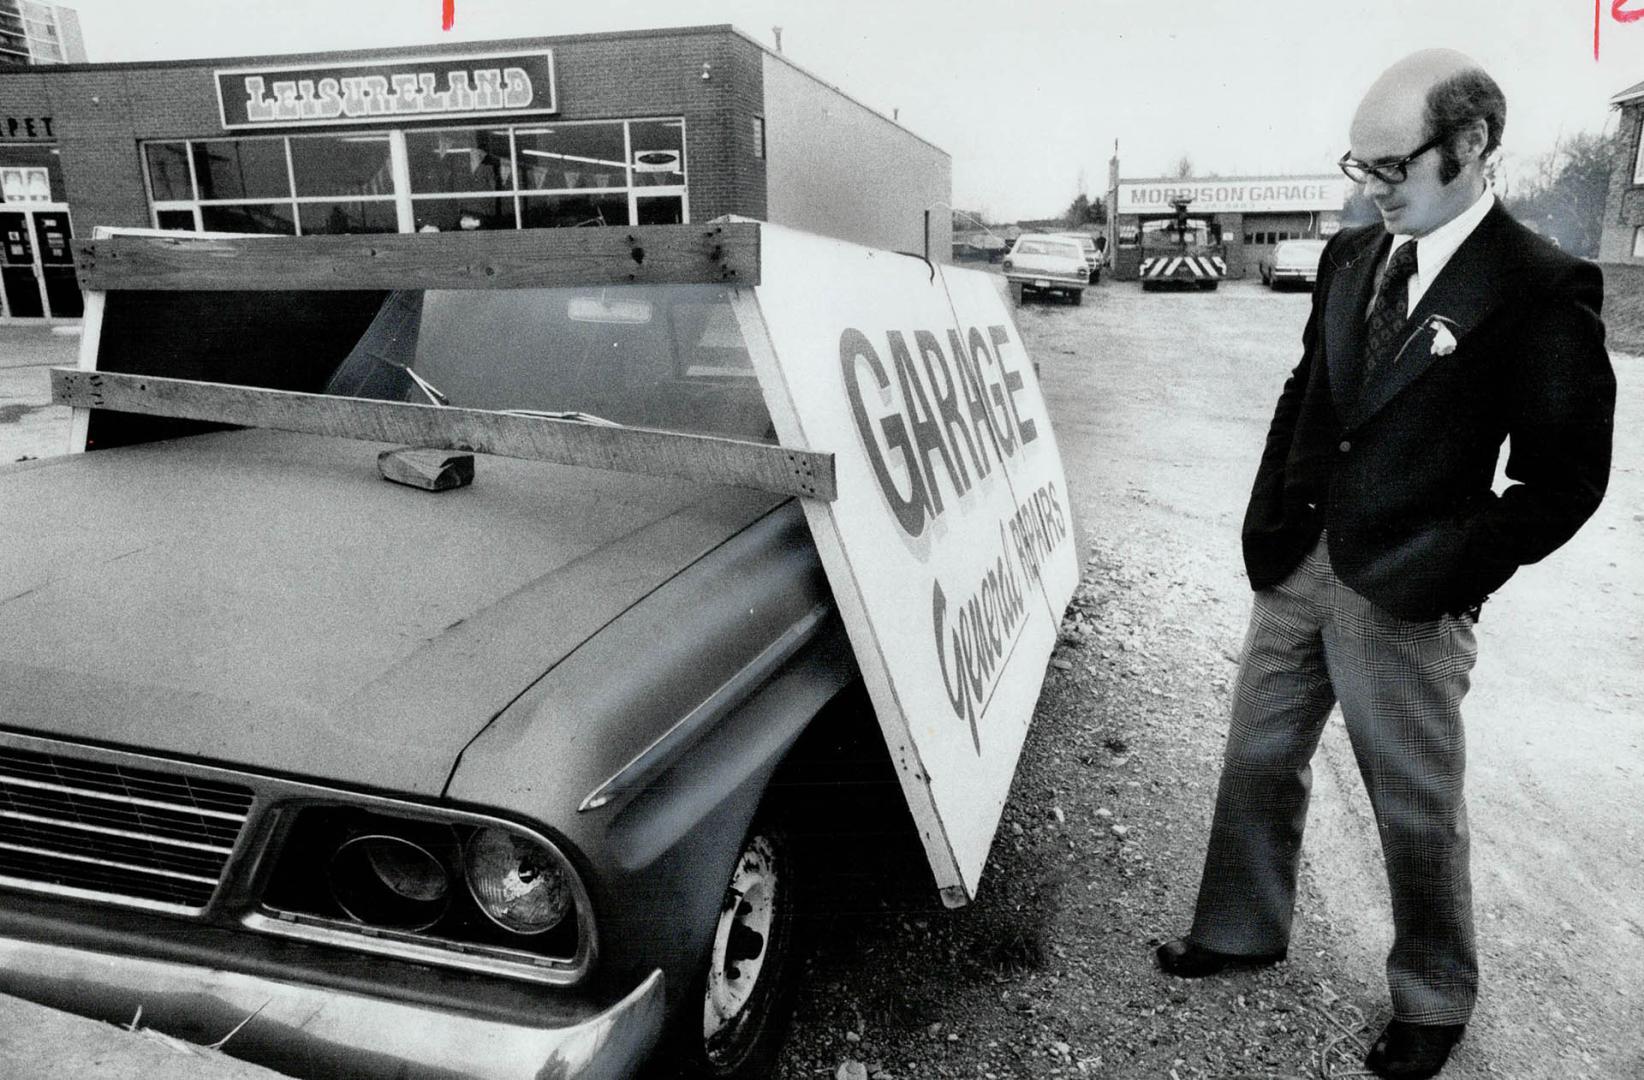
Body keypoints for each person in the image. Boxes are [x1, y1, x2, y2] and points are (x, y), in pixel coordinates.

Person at [1155, 49, 1615, 1080]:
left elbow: (1565, 479)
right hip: (1301, 562)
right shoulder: (1353, 255)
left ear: (1472, 146)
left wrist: (1454, 573)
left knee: (1412, 801)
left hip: (1409, 592)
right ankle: (1240, 929)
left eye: (1390, 169)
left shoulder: (1540, 287)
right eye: (1357, 167)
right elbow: (1305, 390)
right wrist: (1269, 518)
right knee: (1256, 760)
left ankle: (1433, 999)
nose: (1369, 190)